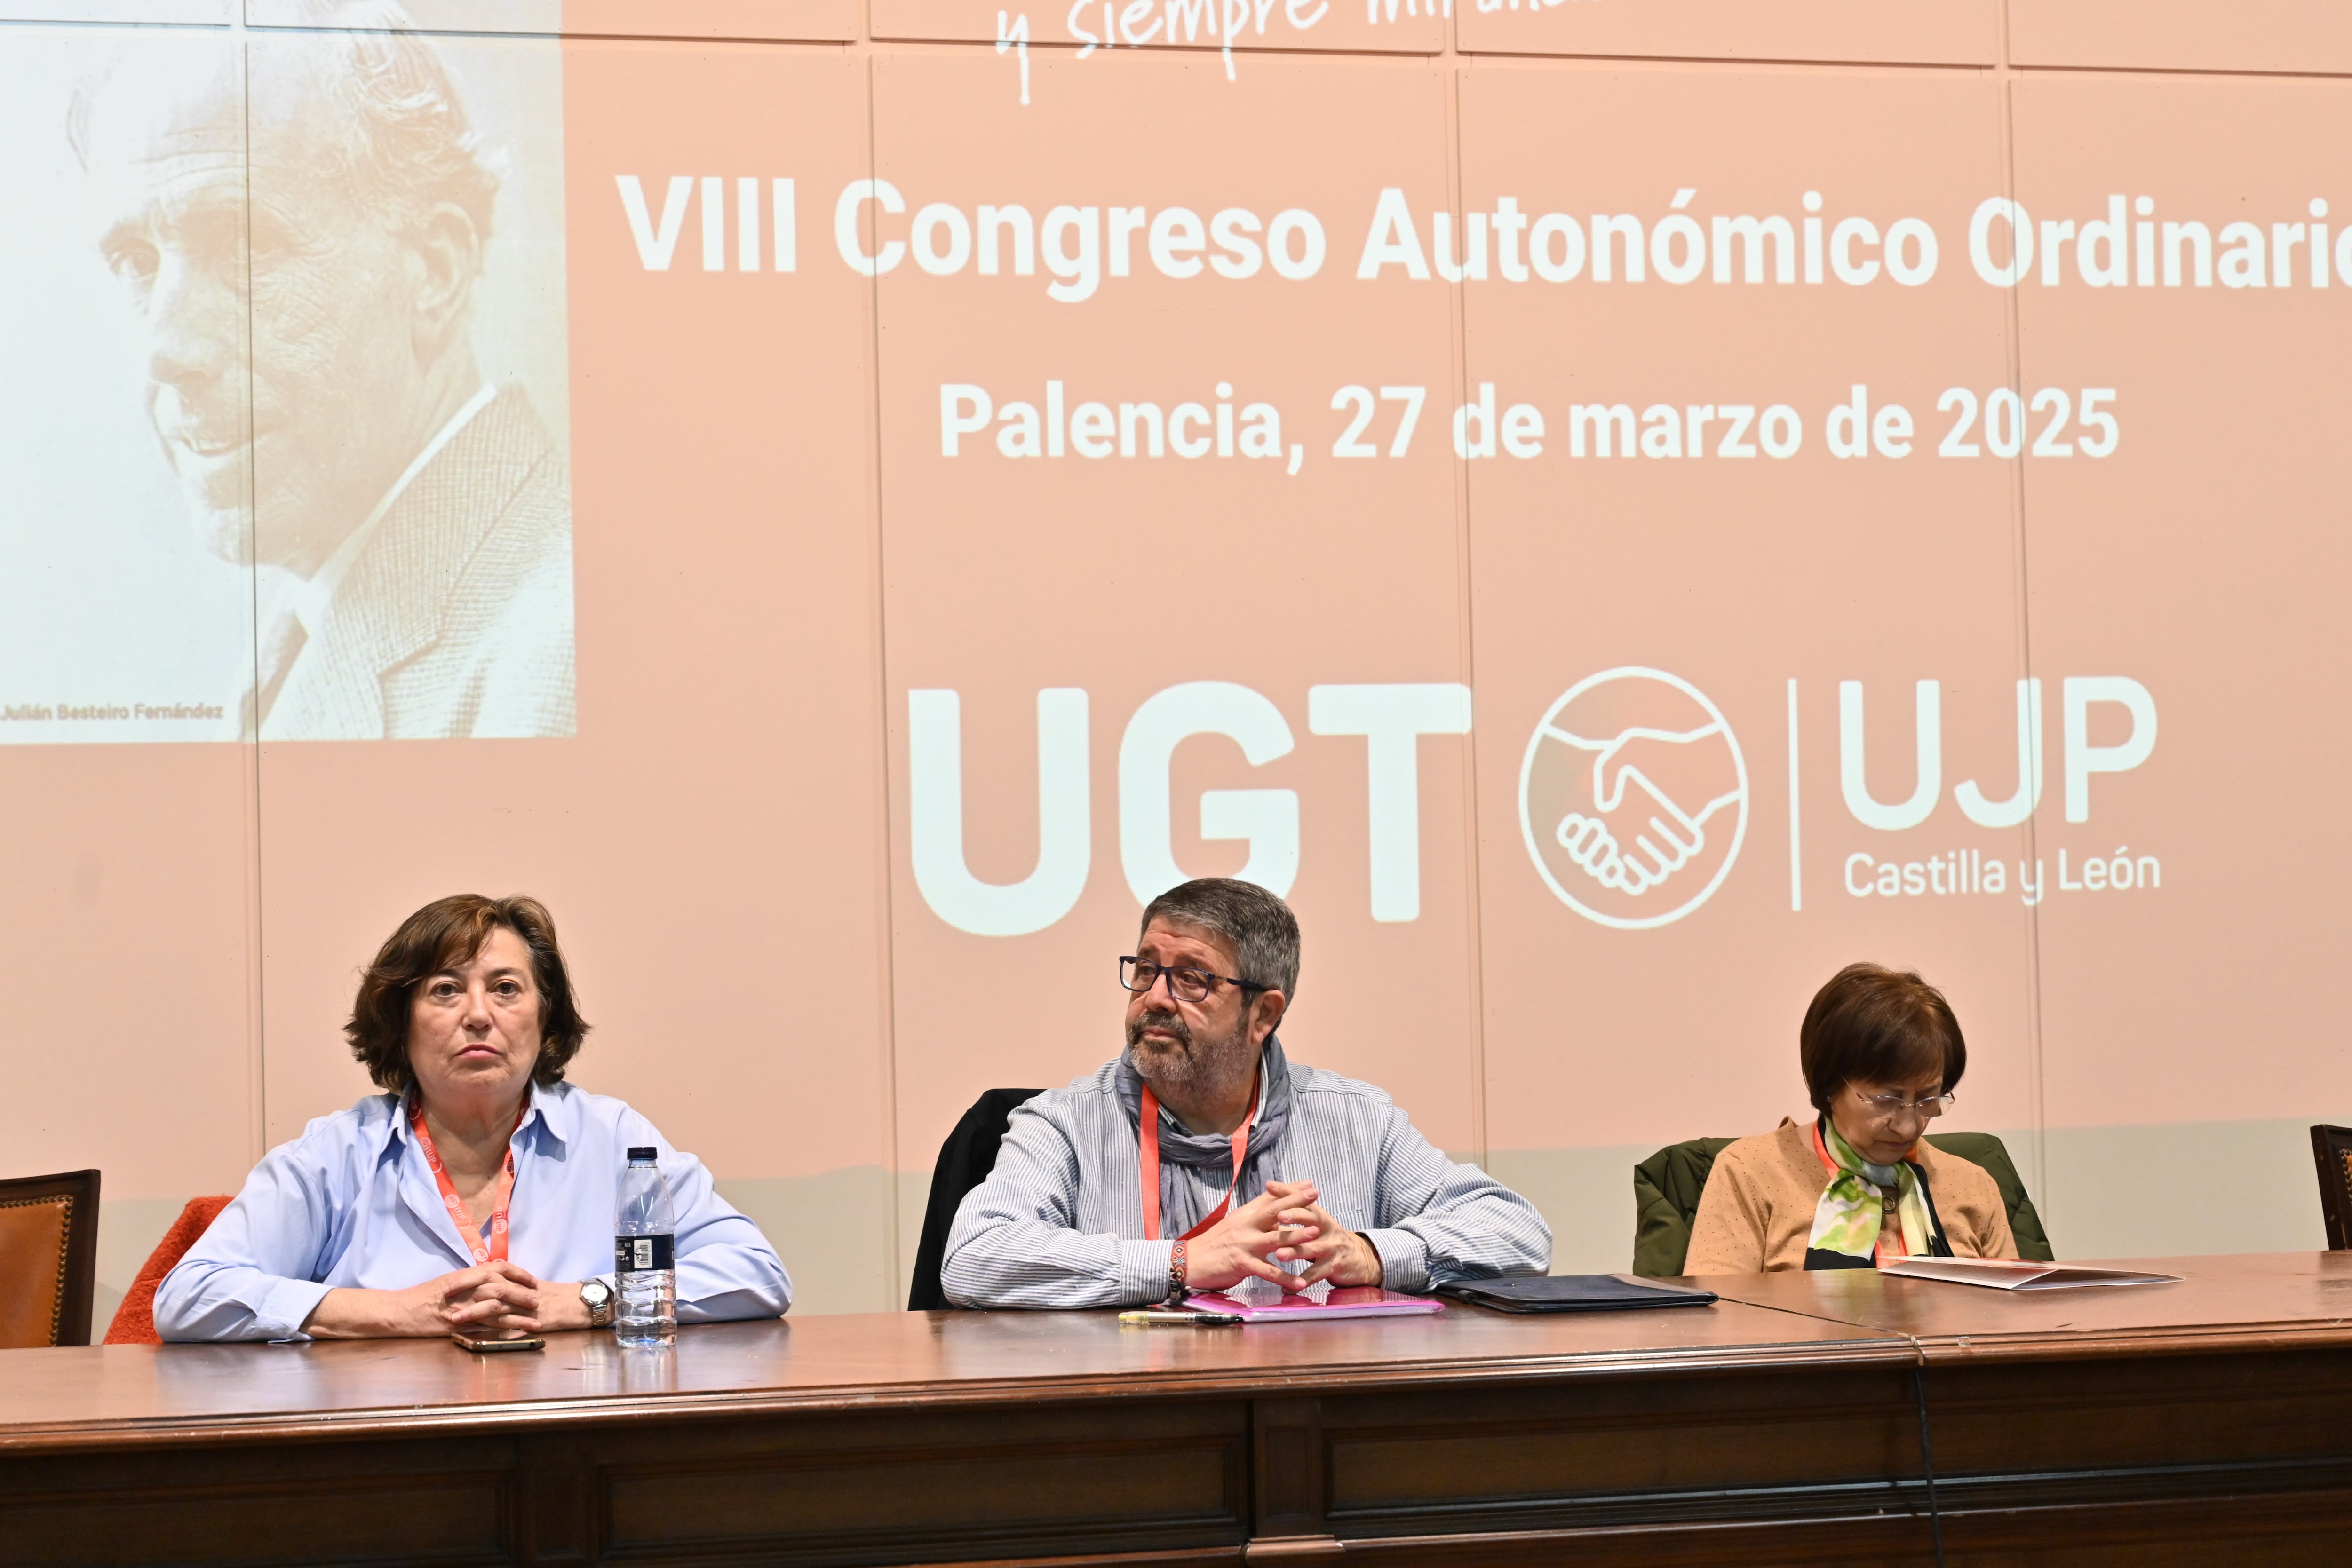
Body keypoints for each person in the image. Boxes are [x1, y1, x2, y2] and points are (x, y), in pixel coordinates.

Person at [71, 0, 573, 740]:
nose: (165, 352)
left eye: (243, 243)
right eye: (138, 264)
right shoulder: (318, 615)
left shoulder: (553, 661)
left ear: (432, 271)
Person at [157, 895, 788, 1341]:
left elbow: (756, 1272)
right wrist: (396, 1313)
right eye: (445, 989)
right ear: (400, 1024)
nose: (479, 1014)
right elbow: (189, 1297)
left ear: (545, 1023)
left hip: (573, 1434)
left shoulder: (613, 1137)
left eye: (507, 988)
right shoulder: (338, 1152)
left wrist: (589, 1299)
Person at [941, 878, 1551, 1308]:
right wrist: (1178, 1265)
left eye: (1192, 978)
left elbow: (1520, 1232)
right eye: (1147, 968)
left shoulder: (1356, 1120)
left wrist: (1373, 1252)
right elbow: (975, 1255)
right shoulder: (1065, 1124)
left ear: (1264, 1013)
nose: (1155, 995)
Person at [1684, 962, 2017, 1275]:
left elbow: (2018, 1325)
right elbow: (1717, 1322)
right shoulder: (1749, 1174)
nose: (1908, 1125)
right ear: (1830, 1084)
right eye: (1887, 1100)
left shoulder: (1974, 1187)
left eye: (1928, 1100)